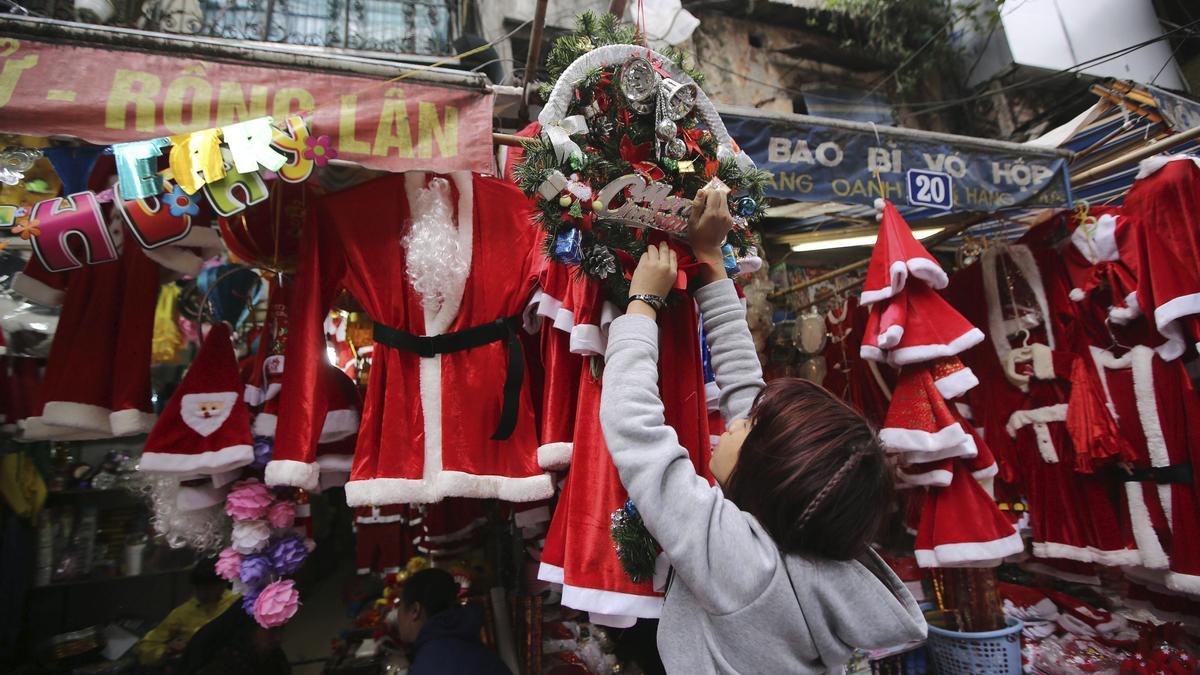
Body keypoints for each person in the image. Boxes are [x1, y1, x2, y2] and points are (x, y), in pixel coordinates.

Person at [598, 188, 928, 673]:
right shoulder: (812, 551)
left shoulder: (744, 568)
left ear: (767, 475)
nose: (734, 424)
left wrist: (643, 302)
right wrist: (713, 267)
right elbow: (747, 390)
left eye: (749, 427)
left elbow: (635, 431)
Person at [394, 568, 510, 675]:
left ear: (415, 610)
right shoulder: (482, 653)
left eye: (399, 605)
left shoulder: (431, 663)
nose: (396, 615)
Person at [134, 558, 239, 667]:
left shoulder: (237, 605)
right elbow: (146, 646)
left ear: (222, 585)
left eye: (208, 589)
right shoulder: (183, 612)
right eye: (198, 589)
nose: (202, 594)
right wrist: (166, 651)